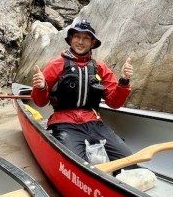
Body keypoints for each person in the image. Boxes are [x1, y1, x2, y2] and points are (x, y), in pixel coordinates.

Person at [31, 19, 135, 164]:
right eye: (77, 37)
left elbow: (114, 103)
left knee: (128, 159)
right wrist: (41, 87)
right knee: (76, 163)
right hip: (64, 123)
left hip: (94, 123)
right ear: (71, 39)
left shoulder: (100, 67)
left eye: (86, 38)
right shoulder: (56, 65)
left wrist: (124, 81)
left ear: (92, 43)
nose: (81, 42)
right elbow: (40, 102)